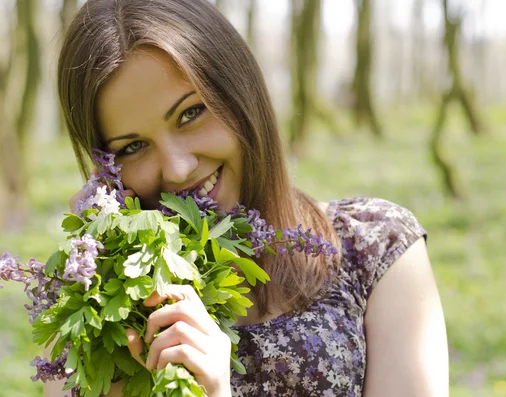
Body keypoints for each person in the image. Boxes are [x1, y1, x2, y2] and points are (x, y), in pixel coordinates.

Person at [46, 0, 449, 396]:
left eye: (190, 113)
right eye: (132, 147)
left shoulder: (374, 248)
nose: (178, 168)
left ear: (241, 94)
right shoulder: (99, 317)